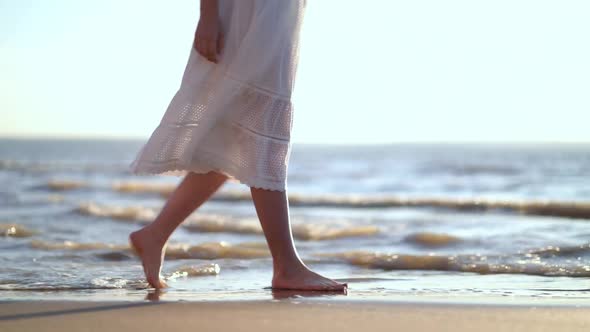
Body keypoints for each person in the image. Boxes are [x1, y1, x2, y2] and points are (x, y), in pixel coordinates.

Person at [128, 0, 347, 292]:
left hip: (279, 10)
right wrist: (207, 14)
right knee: (260, 122)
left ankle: (157, 233)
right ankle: (286, 265)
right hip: (254, 10)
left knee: (235, 134)